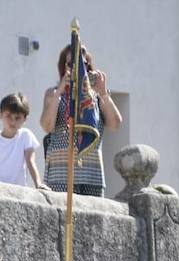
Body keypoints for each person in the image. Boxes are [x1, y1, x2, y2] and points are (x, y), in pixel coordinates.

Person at [40, 44, 122, 196]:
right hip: (61, 173)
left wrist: (103, 93)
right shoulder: (53, 93)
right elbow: (47, 126)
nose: (77, 68)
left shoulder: (97, 95)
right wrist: (59, 92)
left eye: (83, 64)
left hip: (92, 174)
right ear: (63, 67)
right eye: (71, 64)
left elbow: (115, 124)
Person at [0, 94, 44, 189]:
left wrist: (38, 184)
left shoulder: (26, 136)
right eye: (8, 116)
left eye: (17, 117)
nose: (12, 121)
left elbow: (30, 161)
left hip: (18, 192)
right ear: (1, 115)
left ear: (25, 119)